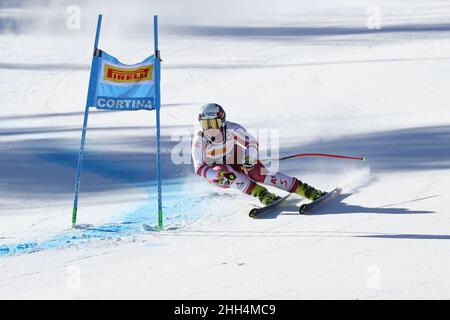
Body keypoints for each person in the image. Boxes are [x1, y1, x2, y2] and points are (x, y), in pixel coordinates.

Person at [191, 103, 326, 205]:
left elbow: (252, 143)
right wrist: (216, 175)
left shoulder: (232, 129)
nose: (210, 129)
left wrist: (249, 157)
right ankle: (261, 193)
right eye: (205, 124)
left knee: (257, 173)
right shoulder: (200, 139)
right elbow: (198, 166)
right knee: (226, 174)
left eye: (213, 123)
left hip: (239, 158)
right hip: (220, 170)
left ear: (222, 121)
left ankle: (305, 190)